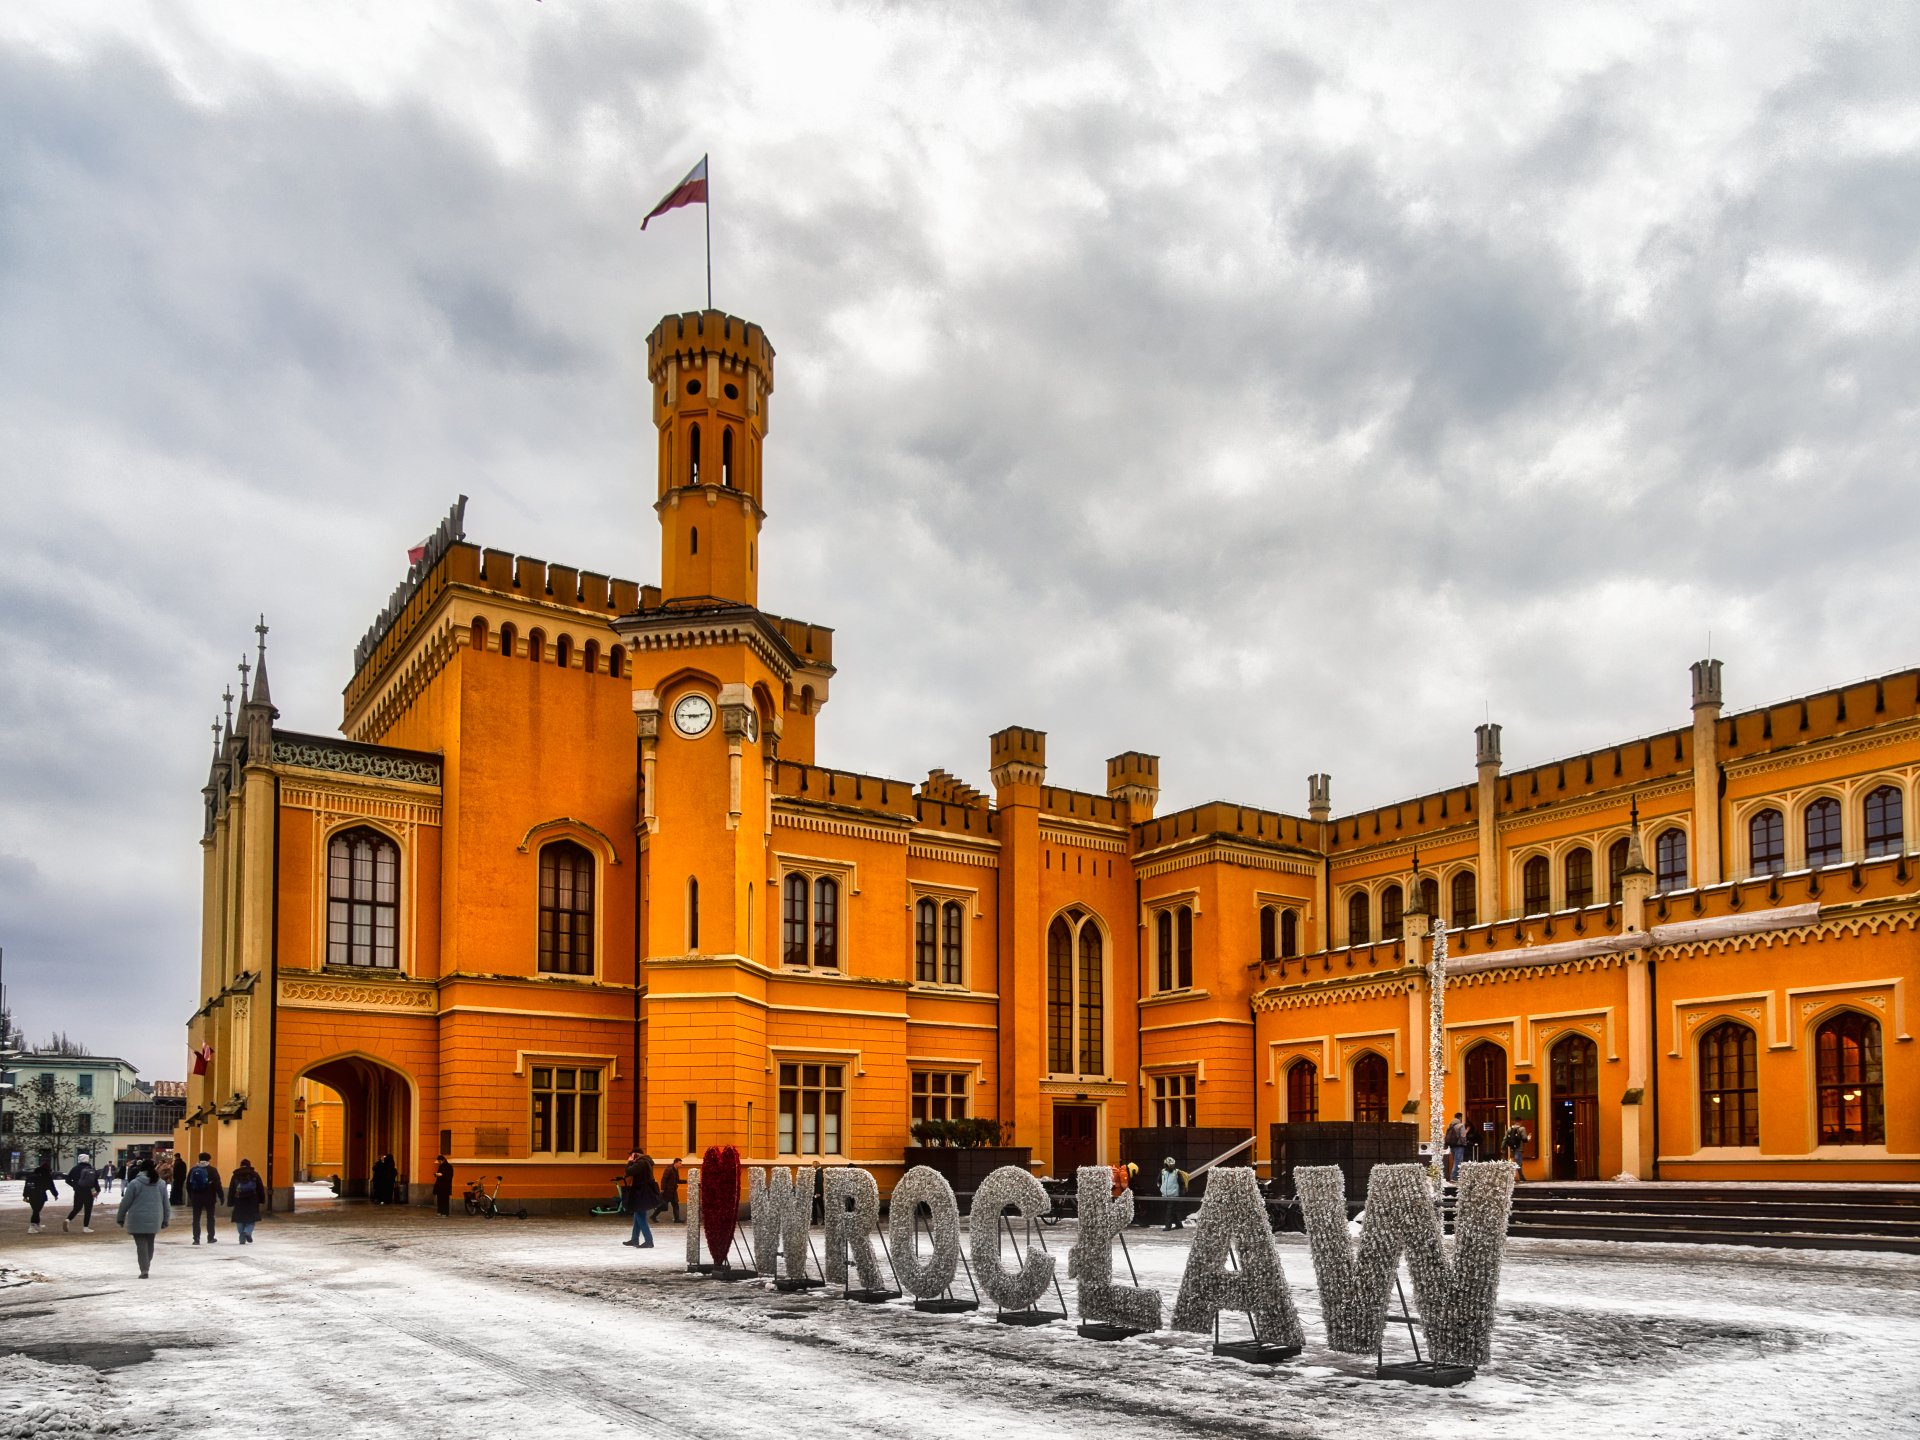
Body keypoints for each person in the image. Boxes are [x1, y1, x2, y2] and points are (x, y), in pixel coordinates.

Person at [115, 1157, 170, 1278]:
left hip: (137, 1218)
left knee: (141, 1245)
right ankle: (146, 1265)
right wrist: (166, 1219)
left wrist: (121, 1217)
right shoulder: (160, 1183)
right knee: (150, 1243)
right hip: (155, 1218)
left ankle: (144, 1269)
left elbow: (126, 1202)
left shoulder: (135, 1183)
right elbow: (166, 1203)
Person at [185, 1152, 225, 1244]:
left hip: (196, 1197)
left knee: (196, 1218)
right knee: (210, 1217)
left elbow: (188, 1184)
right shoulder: (212, 1170)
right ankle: (210, 1237)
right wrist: (221, 1196)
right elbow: (217, 1185)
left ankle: (196, 1238)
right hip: (209, 1197)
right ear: (209, 1159)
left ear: (199, 1159)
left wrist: (192, 1196)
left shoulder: (193, 1169)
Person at [622, 1155, 659, 1248]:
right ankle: (634, 1239)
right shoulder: (646, 1162)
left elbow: (629, 1171)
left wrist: (630, 1162)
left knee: (640, 1216)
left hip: (641, 1193)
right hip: (644, 1192)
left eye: (632, 1155)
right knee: (637, 1215)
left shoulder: (641, 1163)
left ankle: (649, 1241)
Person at [228, 1159, 266, 1243]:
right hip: (252, 1200)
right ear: (249, 1165)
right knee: (251, 1219)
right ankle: (247, 1232)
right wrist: (262, 1200)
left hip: (239, 1200)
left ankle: (242, 1235)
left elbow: (231, 1189)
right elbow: (260, 1188)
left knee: (239, 1219)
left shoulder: (235, 1175)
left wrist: (230, 1201)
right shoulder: (254, 1175)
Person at [63, 1153, 100, 1232]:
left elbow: (67, 1180)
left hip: (78, 1191)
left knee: (77, 1208)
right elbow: (94, 1182)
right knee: (88, 1209)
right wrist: (97, 1190)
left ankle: (68, 1220)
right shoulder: (90, 1169)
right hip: (89, 1191)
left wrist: (75, 1186)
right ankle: (85, 1227)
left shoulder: (75, 1168)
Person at [23, 1158, 58, 1234]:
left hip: (31, 1195)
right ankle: (32, 1227)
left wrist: (25, 1196)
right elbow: (51, 1186)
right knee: (36, 1211)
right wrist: (55, 1194)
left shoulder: (31, 1175)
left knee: (36, 1210)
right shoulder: (46, 1175)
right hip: (40, 1195)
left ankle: (37, 1225)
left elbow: (27, 1186)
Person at [1159, 1156, 1186, 1230]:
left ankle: (1168, 1226)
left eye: (1172, 1165)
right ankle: (1179, 1224)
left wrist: (1181, 1193)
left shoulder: (1177, 1172)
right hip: (1165, 1195)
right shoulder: (1162, 1172)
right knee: (1172, 1211)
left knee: (1169, 1211)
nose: (1171, 1167)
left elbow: (1182, 1183)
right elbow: (1159, 1181)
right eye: (1169, 1165)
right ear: (1166, 1165)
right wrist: (1161, 1188)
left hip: (1174, 1195)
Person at [1444, 1112, 1470, 1182]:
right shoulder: (1461, 1125)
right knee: (1458, 1161)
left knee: (1455, 1161)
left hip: (1452, 1146)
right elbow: (1462, 1136)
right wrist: (1465, 1143)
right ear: (1460, 1117)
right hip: (1459, 1146)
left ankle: (1455, 1177)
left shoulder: (1450, 1125)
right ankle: (1454, 1177)